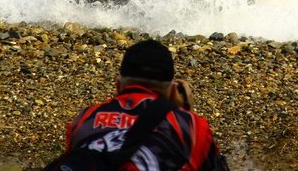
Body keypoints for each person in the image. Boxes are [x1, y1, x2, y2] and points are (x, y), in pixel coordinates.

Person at [45, 39, 229, 171]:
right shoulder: (190, 126)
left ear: (118, 86)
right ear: (173, 91)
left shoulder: (85, 118)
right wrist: (185, 111)